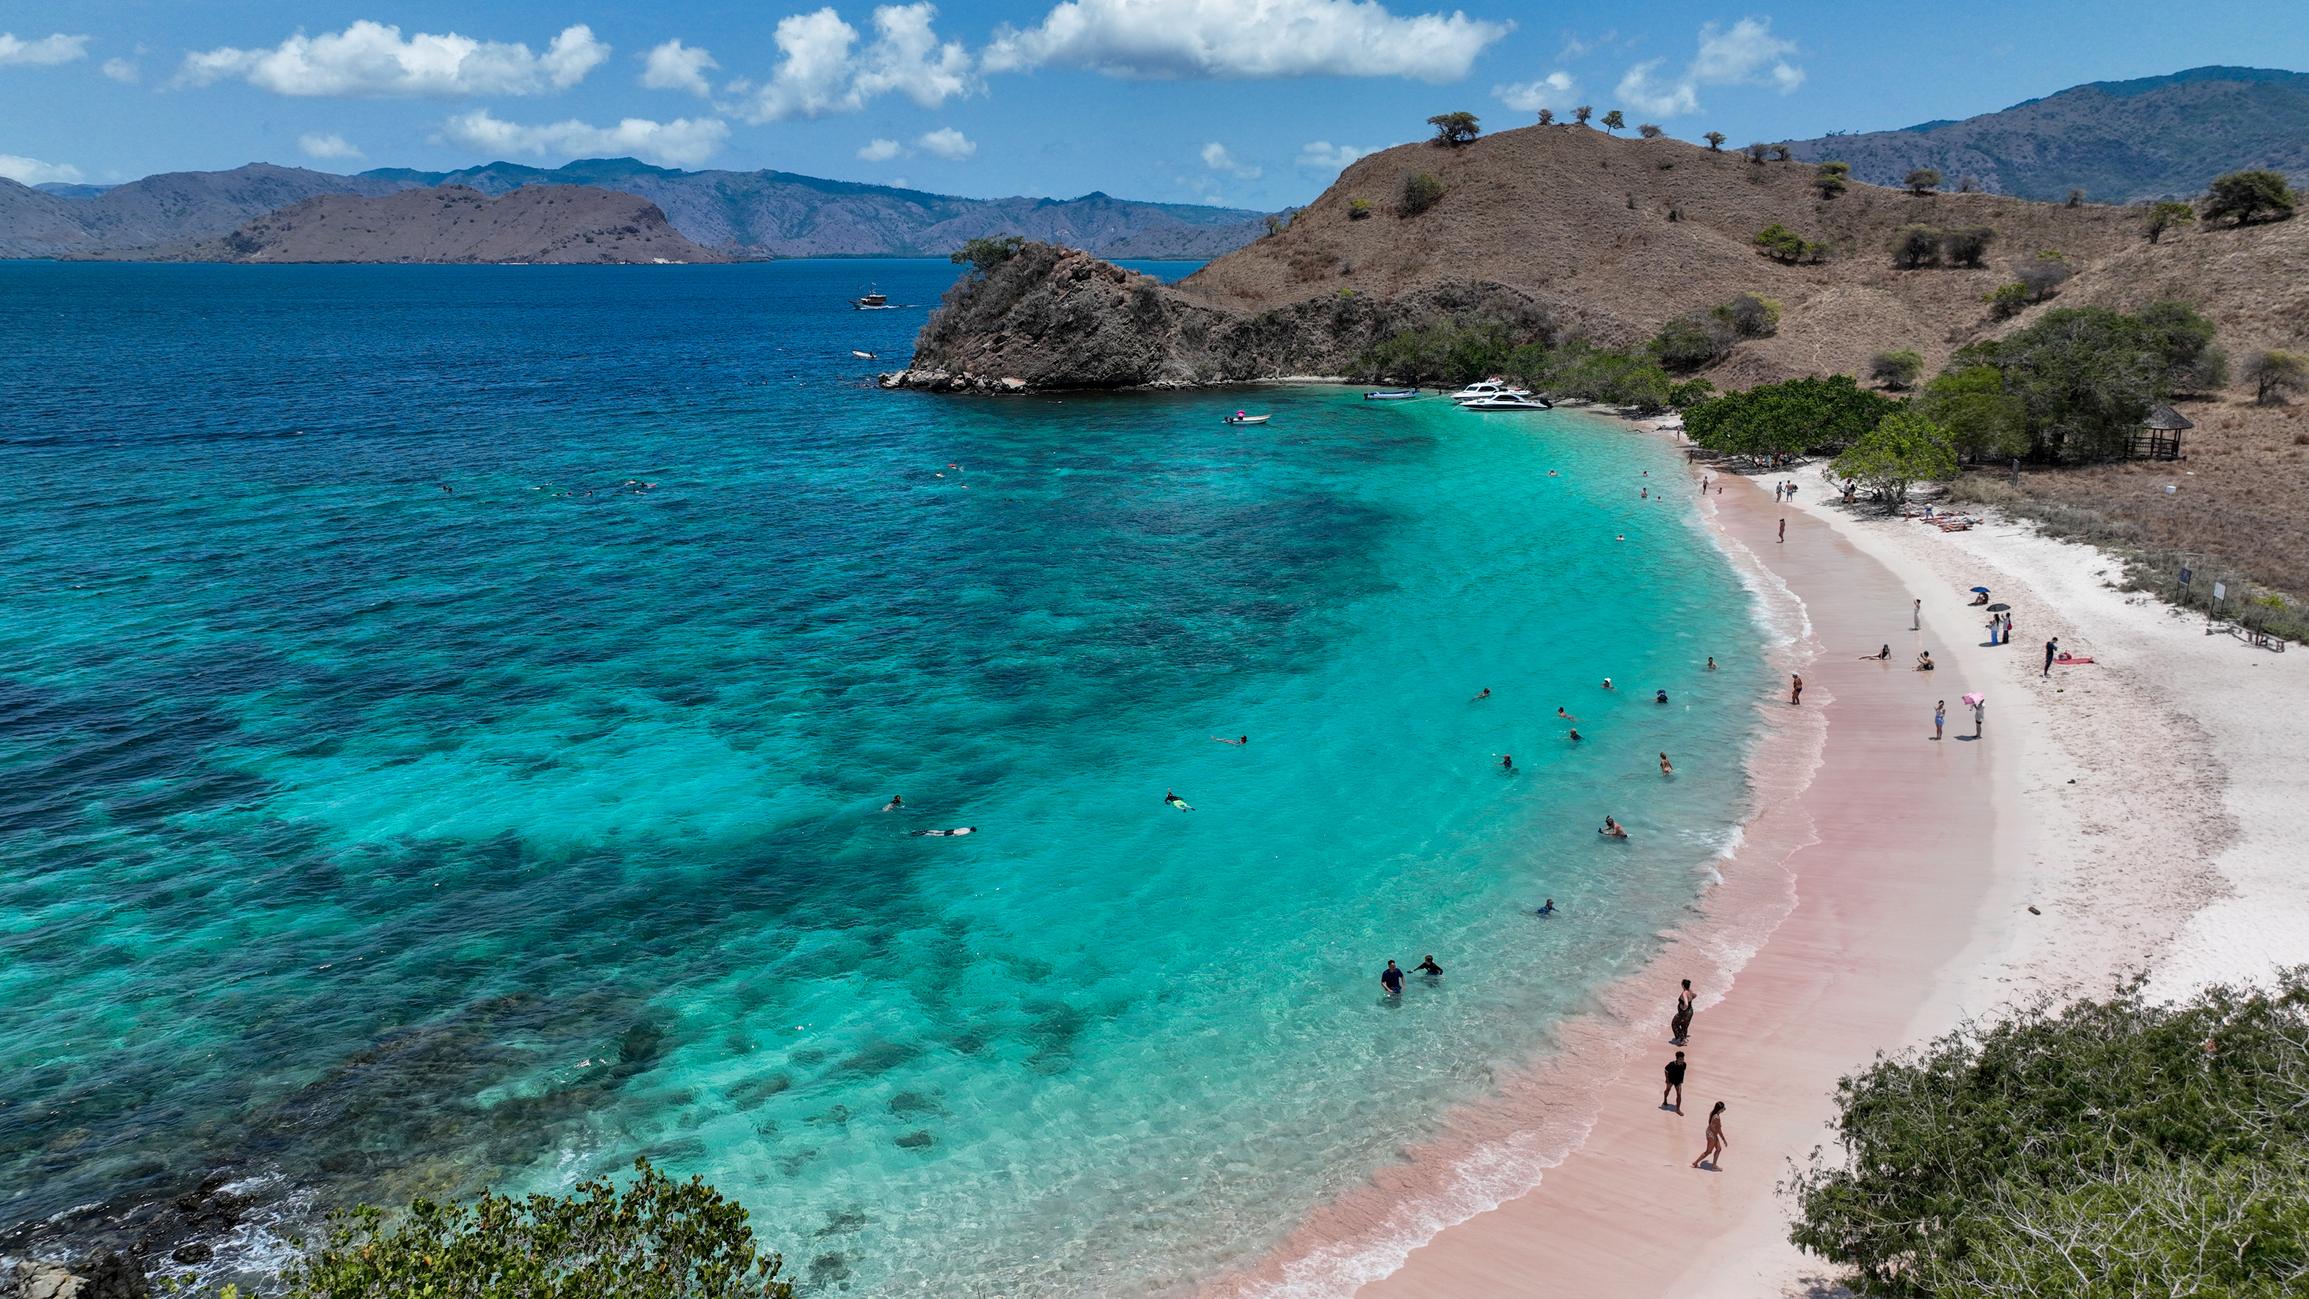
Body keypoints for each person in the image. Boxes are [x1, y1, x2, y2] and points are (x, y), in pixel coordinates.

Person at [1692, 1102, 1727, 1169]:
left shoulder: (1713, 1112)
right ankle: (1695, 1163)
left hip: (1710, 1132)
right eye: (1723, 1108)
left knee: (1718, 1149)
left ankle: (1714, 1165)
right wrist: (1723, 1139)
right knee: (1708, 1151)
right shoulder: (1717, 1118)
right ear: (1720, 1109)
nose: (1724, 1109)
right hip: (1712, 1135)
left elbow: (1711, 1124)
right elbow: (1718, 1130)